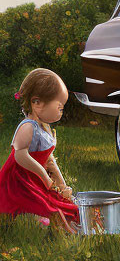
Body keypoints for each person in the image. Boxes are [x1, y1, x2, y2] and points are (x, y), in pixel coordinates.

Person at [0, 68, 80, 233]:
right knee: (46, 208)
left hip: (35, 179)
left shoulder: (45, 127)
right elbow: (20, 155)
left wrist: (61, 185)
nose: (61, 110)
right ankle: (49, 229)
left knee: (65, 204)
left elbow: (49, 160)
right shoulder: (27, 127)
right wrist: (43, 176)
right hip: (20, 181)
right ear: (36, 103)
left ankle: (75, 226)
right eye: (59, 106)